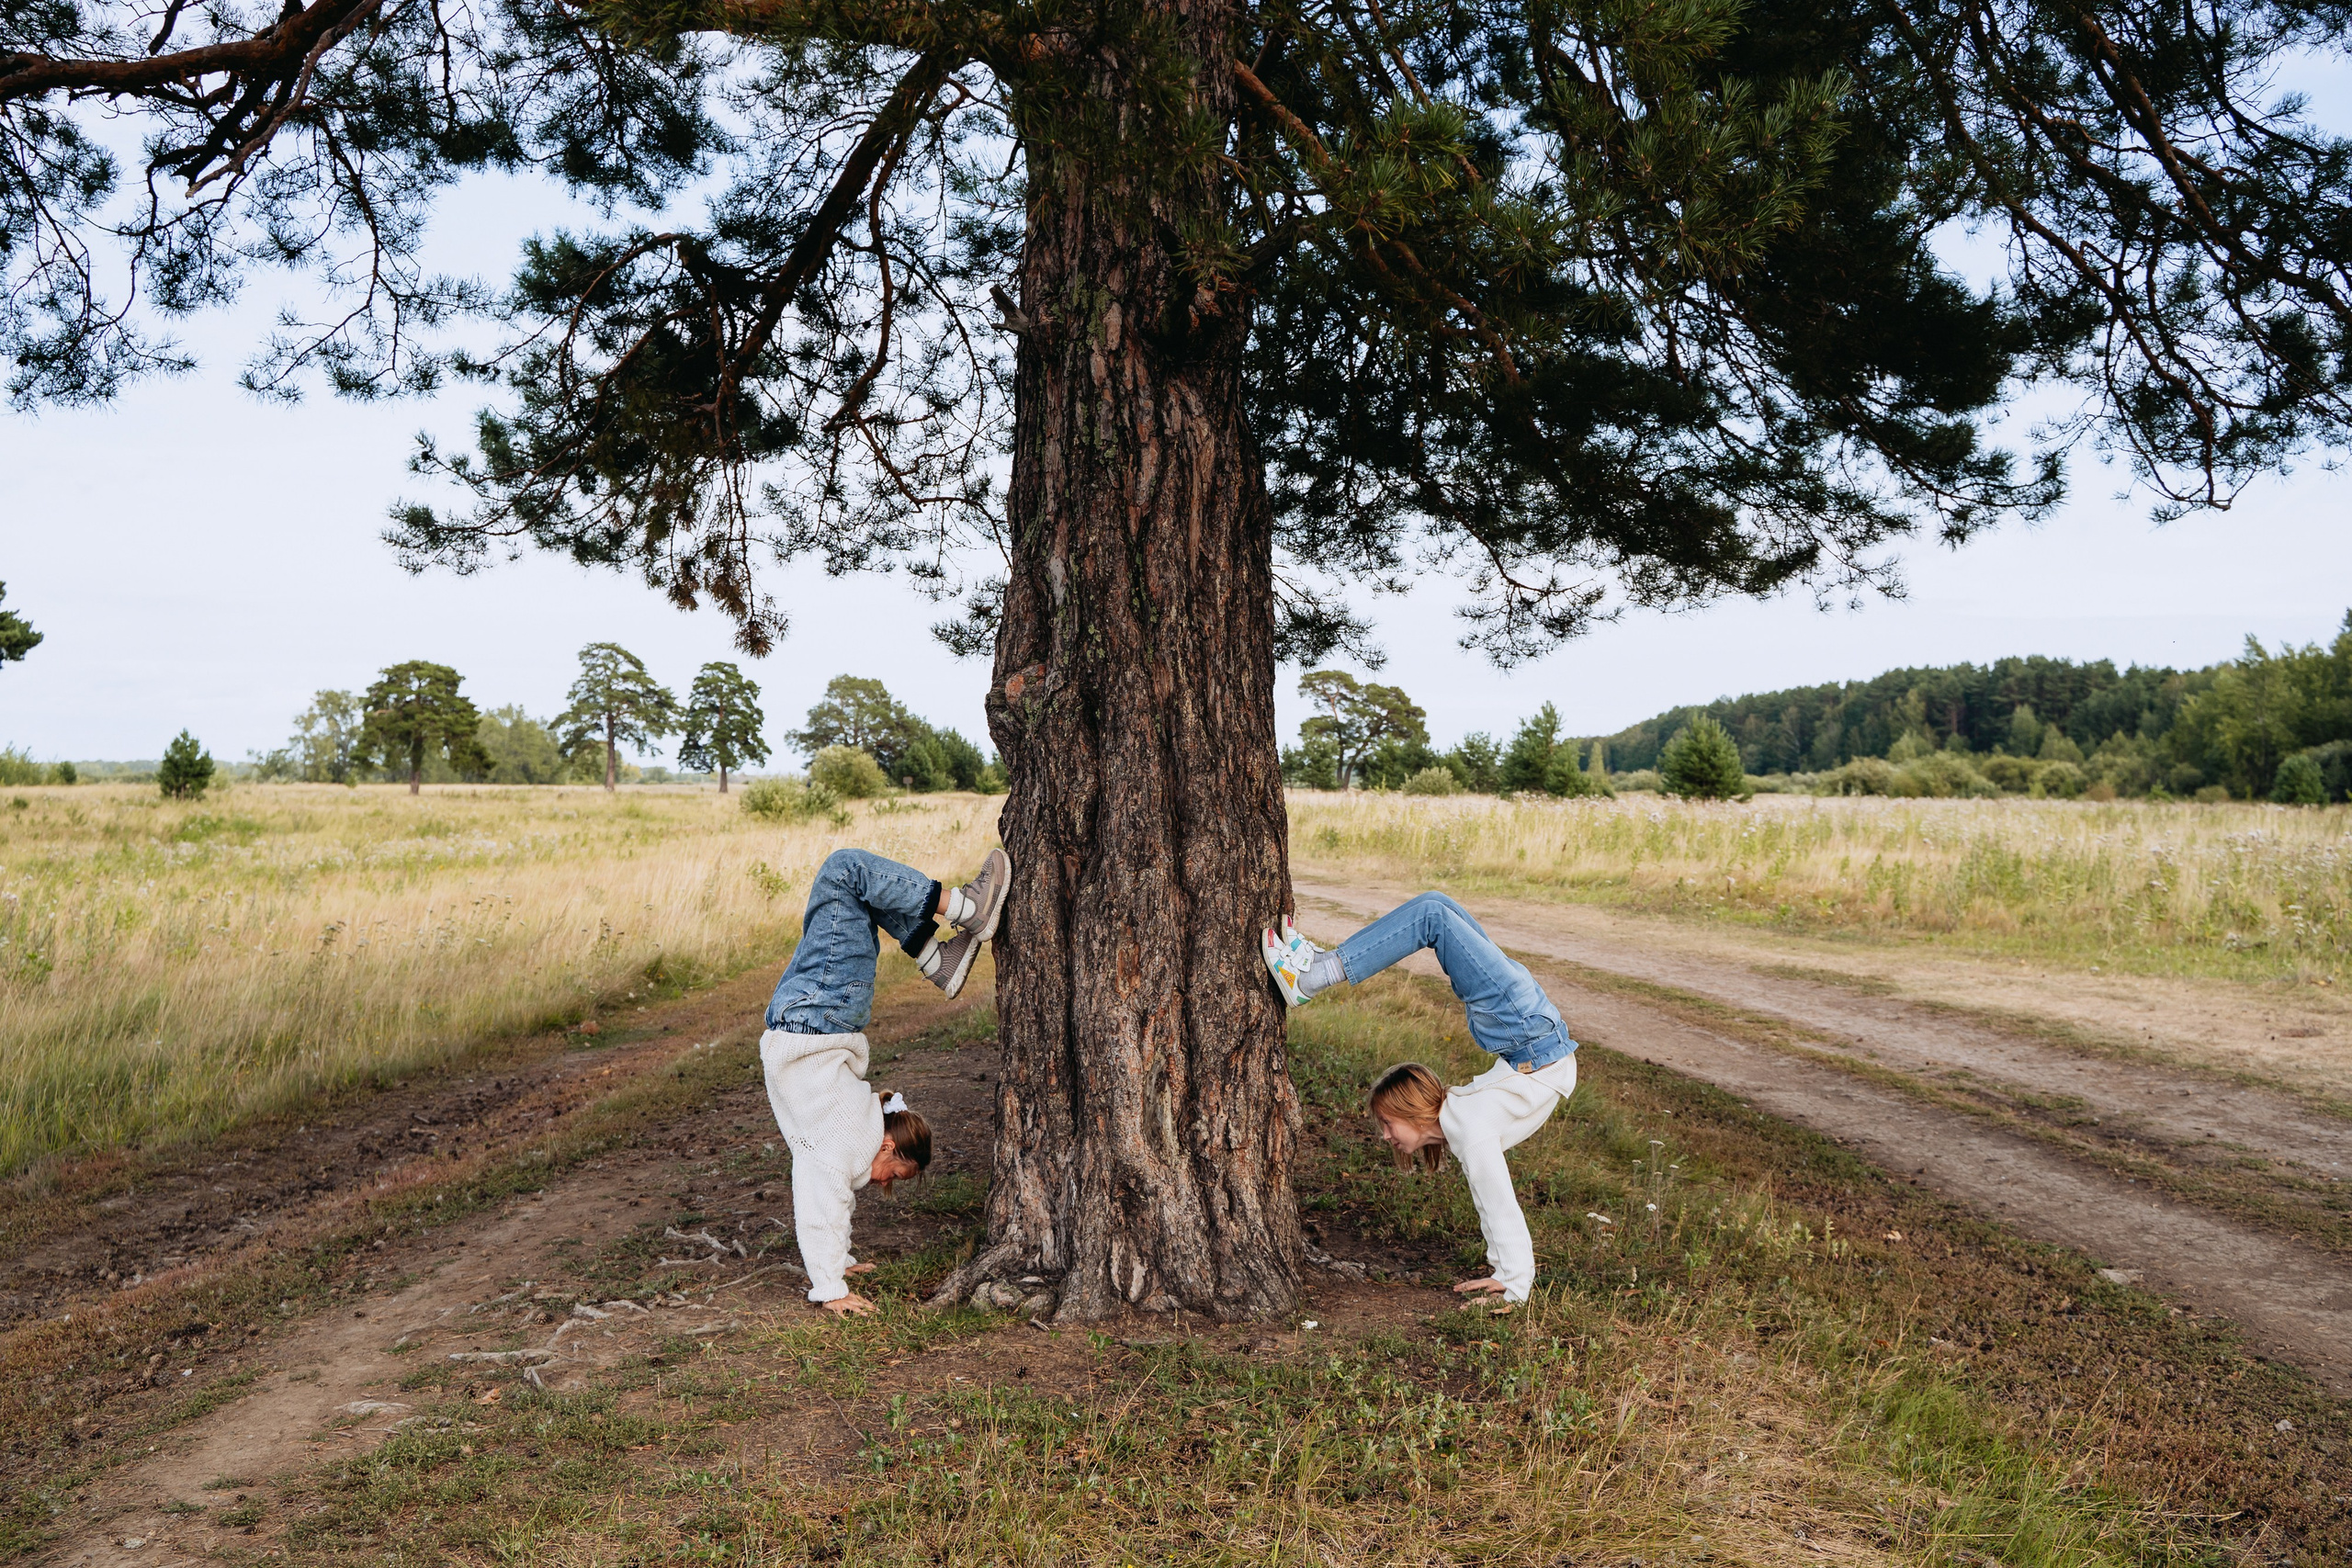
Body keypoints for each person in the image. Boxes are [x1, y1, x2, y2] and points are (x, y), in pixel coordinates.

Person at [1263, 894, 1577, 1308]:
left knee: (1434, 908)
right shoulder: (1469, 1128)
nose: (1385, 1136)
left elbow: (1497, 1207)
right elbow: (1499, 1205)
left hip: (1528, 1035)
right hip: (1527, 1033)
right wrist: (1513, 1283)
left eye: (1387, 1123)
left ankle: (1312, 975)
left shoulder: (1467, 1127)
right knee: (1433, 912)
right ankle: (1316, 968)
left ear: (1410, 1110)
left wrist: (1513, 1284)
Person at [763, 845, 1011, 1315]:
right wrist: (832, 1289)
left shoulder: (851, 1143)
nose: (883, 1184)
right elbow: (824, 1208)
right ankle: (967, 911)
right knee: (846, 871)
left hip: (812, 1013)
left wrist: (839, 1269)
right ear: (888, 1146)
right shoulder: (850, 1141)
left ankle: (938, 959)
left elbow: (828, 1207)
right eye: (894, 1173)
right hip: (820, 1012)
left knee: (857, 888)